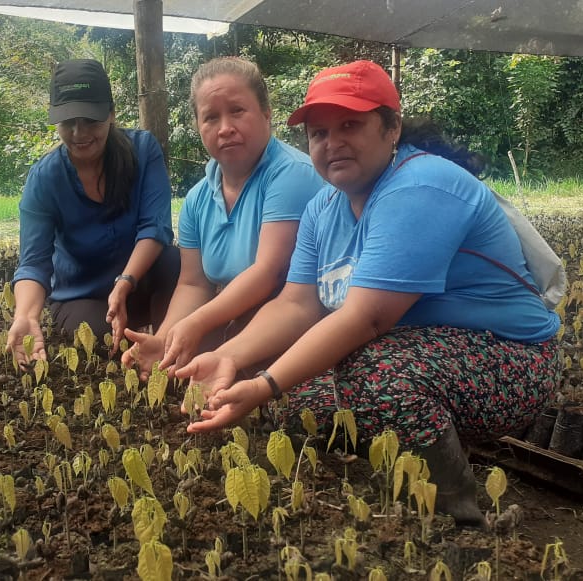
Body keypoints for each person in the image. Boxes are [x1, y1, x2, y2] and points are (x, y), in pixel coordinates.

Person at [175, 60, 562, 528]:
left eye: (350, 126)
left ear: (391, 127)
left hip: (510, 358)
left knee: (373, 376)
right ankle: (402, 456)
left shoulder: (420, 185)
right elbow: (296, 304)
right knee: (301, 401)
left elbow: (366, 318)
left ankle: (454, 515)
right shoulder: (324, 207)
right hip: (421, 351)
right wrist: (229, 357)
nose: (332, 143)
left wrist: (263, 385)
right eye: (319, 133)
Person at [120, 57, 325, 377]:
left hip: (297, 319)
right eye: (211, 117)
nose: (225, 128)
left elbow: (267, 273)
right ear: (198, 126)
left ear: (266, 114)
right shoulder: (197, 199)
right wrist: (165, 339)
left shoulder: (291, 175)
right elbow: (193, 284)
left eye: (237, 111)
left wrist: (197, 323)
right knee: (185, 359)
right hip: (239, 315)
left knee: (214, 350)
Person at [6, 59, 179, 367]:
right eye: (67, 122)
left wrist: (125, 282)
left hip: (139, 283)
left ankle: (168, 341)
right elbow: (33, 263)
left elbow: (156, 228)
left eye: (90, 120)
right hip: (83, 296)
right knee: (99, 340)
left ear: (111, 114)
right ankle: (143, 348)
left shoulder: (142, 151)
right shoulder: (45, 178)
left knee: (175, 262)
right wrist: (25, 316)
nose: (79, 132)